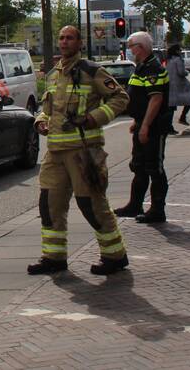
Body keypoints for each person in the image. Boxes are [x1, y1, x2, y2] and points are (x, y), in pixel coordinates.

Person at [28, 26, 130, 277]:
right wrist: (40, 120)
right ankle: (54, 258)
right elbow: (49, 110)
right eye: (61, 37)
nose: (64, 42)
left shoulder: (91, 71)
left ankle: (114, 256)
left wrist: (94, 118)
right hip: (55, 152)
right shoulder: (53, 75)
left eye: (69, 38)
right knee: (49, 205)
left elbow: (120, 98)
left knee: (91, 205)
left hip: (83, 153)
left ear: (79, 43)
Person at [115, 32, 171, 224]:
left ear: (141, 47)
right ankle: (134, 205)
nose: (129, 50)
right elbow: (142, 98)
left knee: (154, 168)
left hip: (154, 127)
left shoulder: (153, 68)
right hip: (143, 123)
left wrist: (145, 125)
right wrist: (138, 121)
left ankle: (157, 210)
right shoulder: (143, 67)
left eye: (131, 46)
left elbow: (156, 99)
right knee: (138, 166)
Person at [166, 44, 190, 133]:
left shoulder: (168, 59)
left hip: (169, 84)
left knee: (171, 106)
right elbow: (181, 72)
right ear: (176, 51)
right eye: (179, 50)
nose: (181, 51)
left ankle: (169, 126)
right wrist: (186, 72)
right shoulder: (178, 59)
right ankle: (183, 117)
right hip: (179, 84)